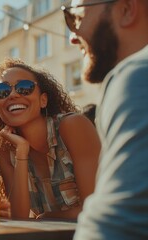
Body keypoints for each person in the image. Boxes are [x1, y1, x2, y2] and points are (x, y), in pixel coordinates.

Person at [0, 58, 101, 220]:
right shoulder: (4, 150)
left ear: (43, 100)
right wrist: (21, 152)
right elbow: (19, 217)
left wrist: (45, 218)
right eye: (2, 91)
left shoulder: (73, 126)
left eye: (24, 88)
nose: (12, 94)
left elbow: (97, 208)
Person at [61, 0, 148, 238]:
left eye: (76, 18)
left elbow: (115, 229)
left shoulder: (137, 76)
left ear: (127, 10)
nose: (72, 36)